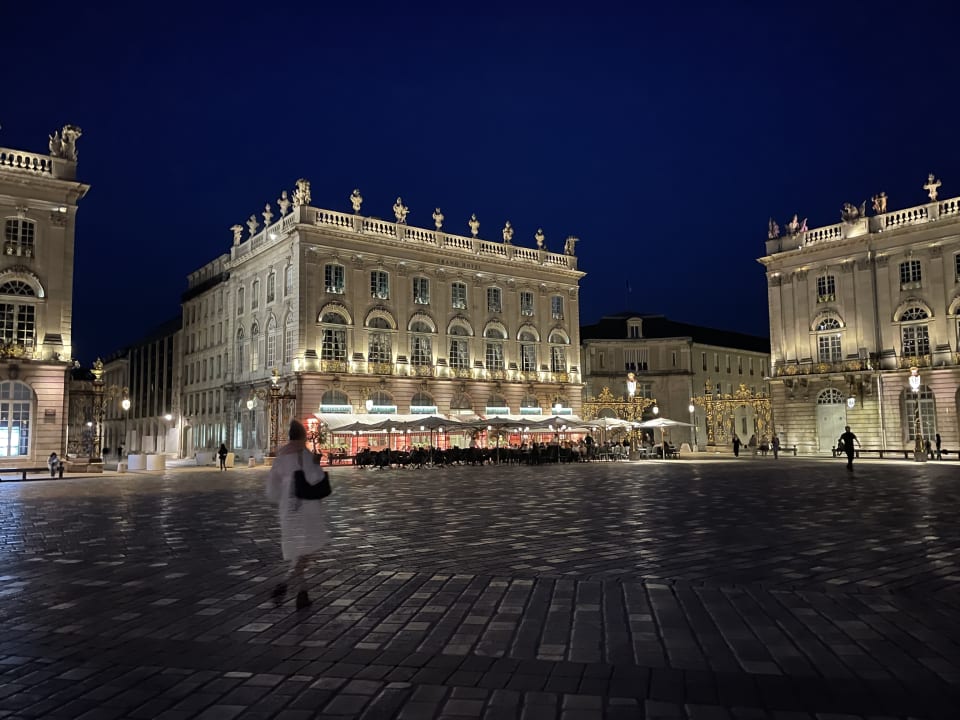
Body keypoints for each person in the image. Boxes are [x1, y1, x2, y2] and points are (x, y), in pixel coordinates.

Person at [265, 420, 329, 611]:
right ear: (302, 436)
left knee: (298, 550)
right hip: (307, 507)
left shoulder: (281, 456)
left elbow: (272, 488)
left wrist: (280, 496)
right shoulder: (305, 454)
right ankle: (286, 583)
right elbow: (316, 478)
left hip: (288, 507)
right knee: (306, 551)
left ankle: (302, 592)